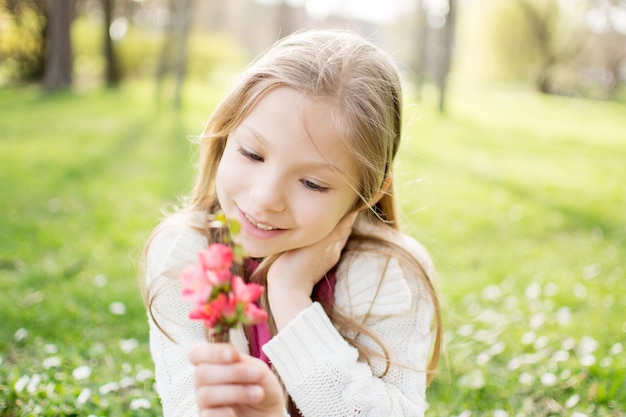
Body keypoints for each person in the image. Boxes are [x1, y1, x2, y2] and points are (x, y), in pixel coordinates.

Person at [142, 29, 442, 417]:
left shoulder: (389, 272)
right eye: (252, 153)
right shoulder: (187, 254)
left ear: (365, 195)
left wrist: (290, 295)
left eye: (312, 183)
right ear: (223, 137)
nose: (266, 197)